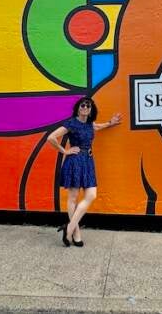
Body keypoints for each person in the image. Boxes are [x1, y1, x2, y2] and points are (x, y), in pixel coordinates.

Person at [46, 97, 121, 247]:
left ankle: (69, 227)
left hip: (88, 161)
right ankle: (76, 234)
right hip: (75, 161)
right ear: (78, 108)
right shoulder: (71, 123)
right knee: (73, 197)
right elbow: (51, 137)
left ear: (91, 110)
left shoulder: (89, 124)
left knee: (91, 195)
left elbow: (97, 127)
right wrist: (65, 151)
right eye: (83, 105)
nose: (85, 107)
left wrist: (110, 123)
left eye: (88, 106)